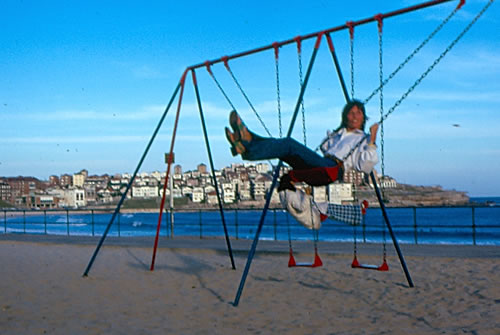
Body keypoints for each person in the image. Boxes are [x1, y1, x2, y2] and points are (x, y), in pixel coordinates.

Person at [224, 99, 379, 189]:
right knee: (285, 150)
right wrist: (333, 136)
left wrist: (372, 139)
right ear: (345, 116)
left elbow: (365, 166)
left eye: (358, 113)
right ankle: (245, 144)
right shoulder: (339, 134)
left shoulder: (364, 139)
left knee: (289, 143)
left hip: (332, 169)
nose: (354, 116)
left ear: (363, 117)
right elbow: (325, 148)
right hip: (321, 164)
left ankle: (248, 141)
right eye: (351, 113)